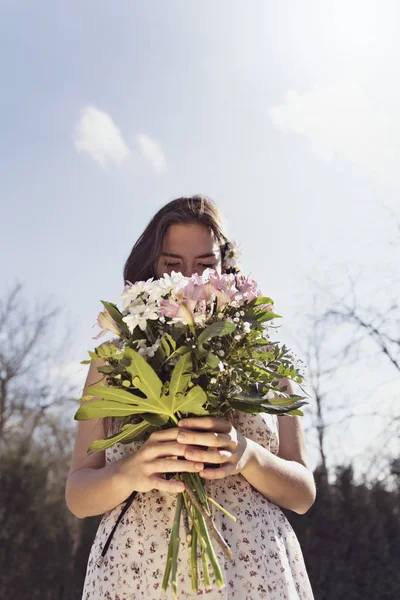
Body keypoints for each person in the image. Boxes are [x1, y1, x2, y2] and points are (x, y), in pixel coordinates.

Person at [66, 196, 316, 599]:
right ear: (151, 270)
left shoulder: (267, 356)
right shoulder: (114, 358)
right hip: (137, 572)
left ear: (224, 268)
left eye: (204, 265)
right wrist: (129, 472)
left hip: (253, 571)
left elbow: (303, 494)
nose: (188, 280)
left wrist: (249, 455)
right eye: (171, 265)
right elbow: (78, 495)